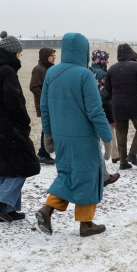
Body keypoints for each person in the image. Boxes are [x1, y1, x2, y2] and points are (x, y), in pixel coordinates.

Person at [37, 33, 114, 237]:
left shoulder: (51, 73)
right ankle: (86, 223)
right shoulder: (85, 74)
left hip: (61, 136)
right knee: (89, 175)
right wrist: (107, 137)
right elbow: (95, 111)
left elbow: (44, 107)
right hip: (83, 137)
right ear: (84, 50)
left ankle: (47, 209)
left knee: (67, 173)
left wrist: (48, 134)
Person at [0, 33, 41, 222]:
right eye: (19, 53)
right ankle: (0, 201)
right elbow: (14, 101)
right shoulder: (6, 70)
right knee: (25, 166)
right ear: (13, 52)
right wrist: (24, 120)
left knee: (7, 167)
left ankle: (8, 210)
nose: (19, 57)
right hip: (9, 126)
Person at [104, 44, 137, 170]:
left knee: (121, 133)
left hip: (117, 105)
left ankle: (123, 162)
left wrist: (116, 97)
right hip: (134, 104)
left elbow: (107, 89)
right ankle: (132, 154)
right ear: (131, 53)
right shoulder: (136, 66)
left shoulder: (111, 69)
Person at [90, 49, 120, 186]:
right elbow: (106, 93)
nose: (108, 61)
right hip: (104, 109)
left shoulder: (90, 71)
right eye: (106, 59)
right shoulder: (102, 74)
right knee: (106, 135)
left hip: (92, 109)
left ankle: (104, 172)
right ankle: (105, 172)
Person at [29, 45, 56, 165]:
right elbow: (34, 86)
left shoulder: (52, 69)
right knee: (47, 128)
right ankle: (43, 153)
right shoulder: (38, 69)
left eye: (54, 55)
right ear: (45, 56)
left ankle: (45, 152)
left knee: (51, 128)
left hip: (53, 104)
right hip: (45, 105)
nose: (54, 57)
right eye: (51, 55)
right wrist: (45, 99)